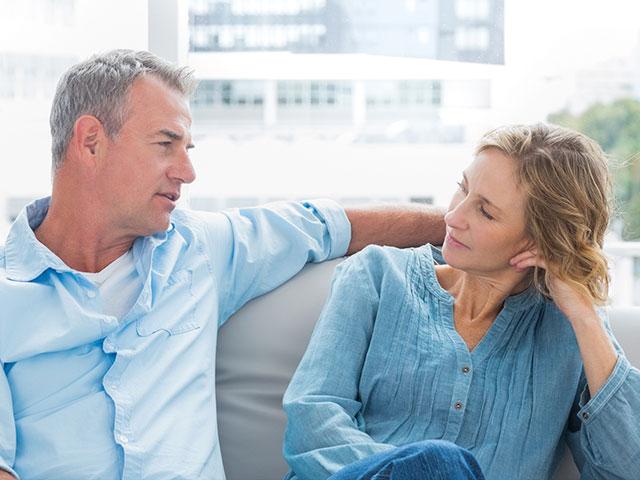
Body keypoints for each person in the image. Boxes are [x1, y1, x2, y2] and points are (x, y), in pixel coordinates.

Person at [0, 50, 446, 480]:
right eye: (166, 144)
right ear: (91, 141)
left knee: (435, 464)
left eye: (187, 147)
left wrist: (479, 230)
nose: (187, 171)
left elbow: (334, 225)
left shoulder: (201, 248)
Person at [283, 123, 640, 480]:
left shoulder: (572, 333)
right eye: (463, 189)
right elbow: (312, 421)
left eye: (485, 211)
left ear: (538, 241)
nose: (452, 217)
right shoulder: (378, 275)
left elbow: (627, 470)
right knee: (438, 463)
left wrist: (585, 316)